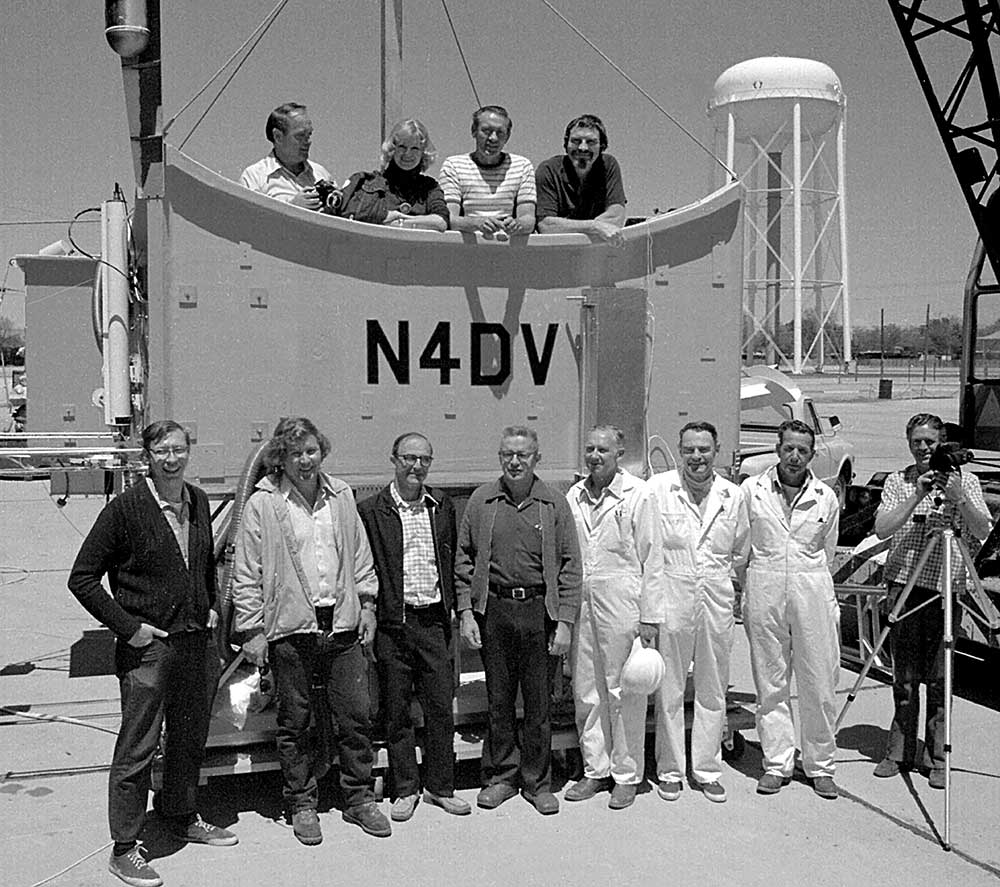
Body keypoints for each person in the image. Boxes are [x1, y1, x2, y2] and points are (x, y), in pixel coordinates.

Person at [68, 420, 237, 887]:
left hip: (193, 644)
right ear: (147, 455)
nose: (171, 458)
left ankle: (181, 814)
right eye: (162, 450)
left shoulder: (198, 501)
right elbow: (82, 578)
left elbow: (202, 562)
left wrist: (208, 608)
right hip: (149, 650)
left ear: (189, 452)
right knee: (138, 747)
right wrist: (128, 627)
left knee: (188, 737)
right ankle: (124, 847)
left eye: (179, 449)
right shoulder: (126, 510)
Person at [232, 417, 389, 844]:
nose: (305, 460)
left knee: (355, 717)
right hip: (290, 628)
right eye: (295, 453)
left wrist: (368, 604)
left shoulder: (341, 496)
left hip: (341, 627)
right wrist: (251, 629)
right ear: (280, 458)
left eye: (311, 451)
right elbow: (246, 571)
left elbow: (359, 557)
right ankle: (302, 803)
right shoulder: (264, 503)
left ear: (322, 453)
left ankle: (359, 799)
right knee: (294, 722)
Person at [456, 425, 581, 814]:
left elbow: (570, 566)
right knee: (499, 701)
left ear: (536, 458)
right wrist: (466, 612)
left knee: (540, 704)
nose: (515, 461)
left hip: (539, 613)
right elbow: (463, 560)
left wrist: (565, 622)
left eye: (522, 455)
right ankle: (501, 777)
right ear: (500, 457)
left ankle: (537, 782)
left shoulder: (554, 504)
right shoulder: (482, 501)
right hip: (494, 611)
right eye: (508, 454)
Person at [871, 414, 990, 788]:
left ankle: (938, 757)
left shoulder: (966, 481)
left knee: (940, 678)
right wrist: (918, 494)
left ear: (942, 443)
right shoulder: (898, 481)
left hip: (946, 588)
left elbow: (983, 529)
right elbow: (883, 528)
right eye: (917, 441)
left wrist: (957, 498)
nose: (924, 448)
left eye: (930, 442)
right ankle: (899, 751)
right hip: (905, 586)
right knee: (904, 678)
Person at [357, 432, 470, 821]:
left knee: (441, 708)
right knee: (397, 711)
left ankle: (441, 787)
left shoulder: (441, 507)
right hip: (394, 623)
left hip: (434, 622)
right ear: (393, 459)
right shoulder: (371, 510)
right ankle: (405, 789)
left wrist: (456, 610)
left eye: (424, 459)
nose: (416, 466)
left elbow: (453, 558)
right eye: (408, 458)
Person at [738, 419, 841, 800]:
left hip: (811, 585)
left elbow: (827, 549)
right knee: (771, 682)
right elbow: (742, 543)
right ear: (777, 450)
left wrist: (806, 579)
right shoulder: (753, 490)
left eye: (802, 450)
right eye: (788, 449)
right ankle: (777, 763)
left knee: (818, 682)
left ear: (812, 454)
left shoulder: (825, 496)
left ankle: (820, 765)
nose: (794, 456)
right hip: (764, 584)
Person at [563, 426, 665, 809]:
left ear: (619, 452)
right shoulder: (574, 495)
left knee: (624, 689)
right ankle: (595, 769)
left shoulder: (639, 494)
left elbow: (653, 558)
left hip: (623, 598)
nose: (594, 455)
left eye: (602, 449)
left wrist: (650, 616)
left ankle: (627, 774)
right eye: (589, 448)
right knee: (587, 690)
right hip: (584, 598)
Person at [648, 421, 746, 804]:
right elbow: (649, 550)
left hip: (716, 596)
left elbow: (740, 550)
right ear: (679, 450)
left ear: (716, 450)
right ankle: (670, 770)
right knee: (669, 687)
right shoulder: (659, 490)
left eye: (704, 449)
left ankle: (706, 768)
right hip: (673, 594)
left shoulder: (732, 496)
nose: (696, 456)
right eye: (689, 449)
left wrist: (719, 580)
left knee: (712, 686)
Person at [437, 105, 536, 236]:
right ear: (473, 131)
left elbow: (528, 220)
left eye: (500, 132)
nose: (493, 138)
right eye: (486, 131)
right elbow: (449, 219)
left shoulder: (522, 166)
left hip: (508, 245)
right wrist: (477, 223)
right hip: (467, 246)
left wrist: (517, 224)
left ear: (507, 136)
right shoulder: (453, 165)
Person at [334, 119, 448, 231]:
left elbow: (441, 221)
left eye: (415, 148)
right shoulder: (363, 182)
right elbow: (341, 210)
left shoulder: (430, 188)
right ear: (392, 149)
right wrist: (383, 216)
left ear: (423, 153)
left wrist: (398, 220)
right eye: (402, 147)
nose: (407, 153)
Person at [535, 114, 627, 245]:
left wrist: (568, 227)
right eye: (576, 141)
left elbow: (616, 216)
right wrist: (595, 227)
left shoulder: (609, 165)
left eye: (591, 142)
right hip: (558, 249)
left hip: (598, 250)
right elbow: (546, 226)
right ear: (566, 144)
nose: (583, 148)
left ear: (602, 146)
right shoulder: (548, 170)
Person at [239, 102, 334, 210]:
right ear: (278, 136)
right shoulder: (255, 177)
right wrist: (291, 207)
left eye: (309, 135)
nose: (308, 142)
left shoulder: (321, 174)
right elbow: (249, 221)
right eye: (300, 136)